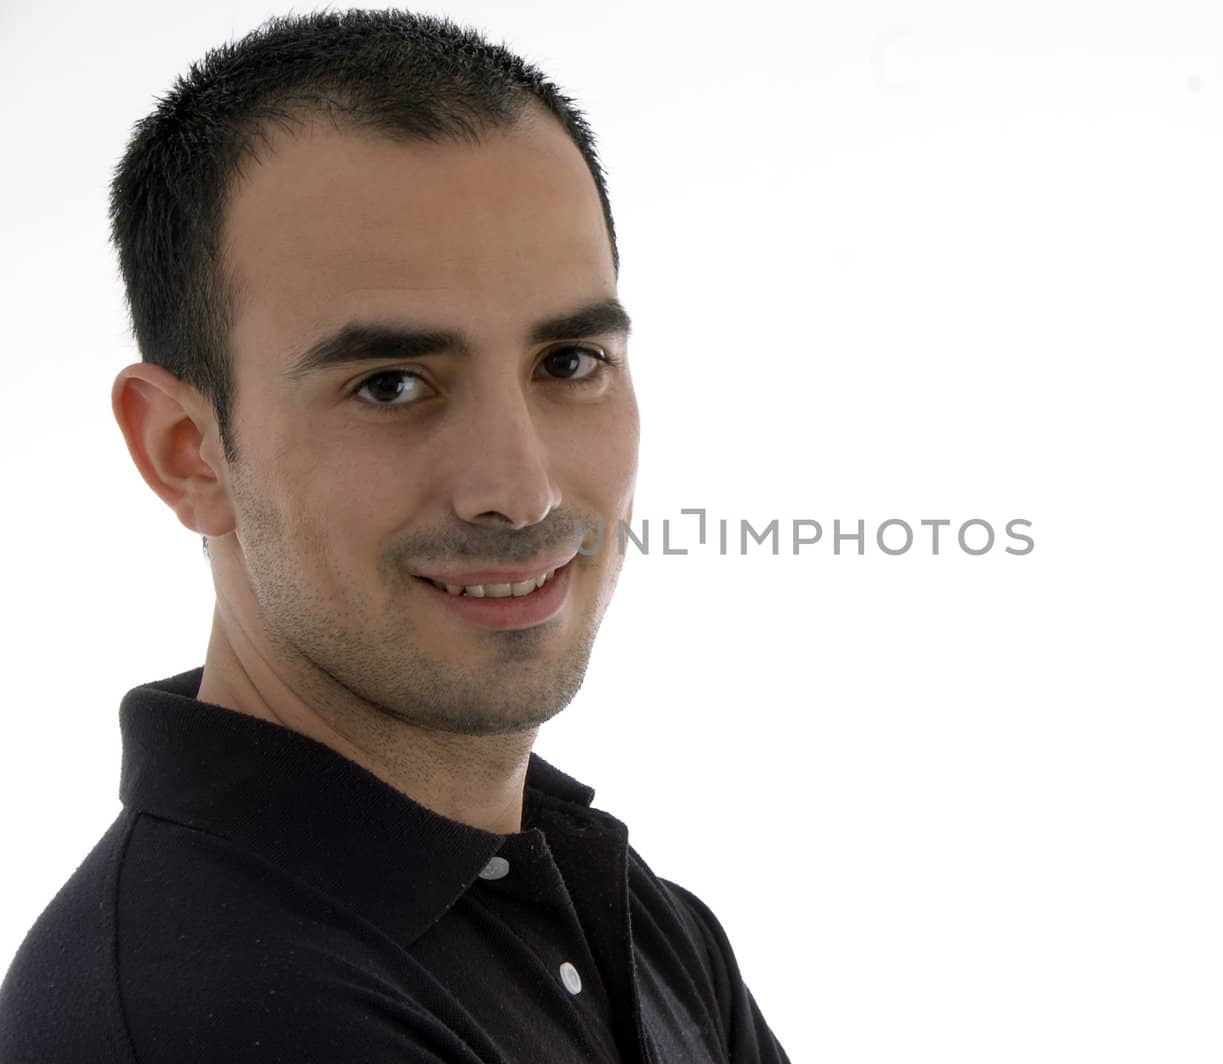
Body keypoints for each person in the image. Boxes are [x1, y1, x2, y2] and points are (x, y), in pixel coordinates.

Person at [0, 10, 790, 1063]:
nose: (521, 488)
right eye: (392, 383)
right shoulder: (225, 1018)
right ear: (187, 449)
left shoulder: (639, 918)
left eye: (568, 362)